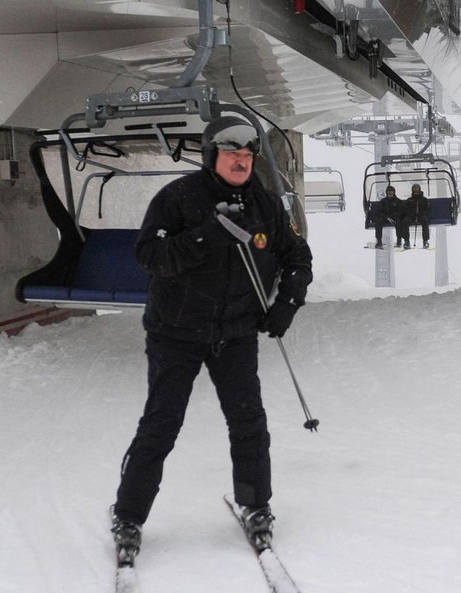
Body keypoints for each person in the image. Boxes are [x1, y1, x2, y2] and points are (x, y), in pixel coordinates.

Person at [110, 115, 313, 559]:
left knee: (248, 423)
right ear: (211, 156)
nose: (240, 162)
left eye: (246, 155)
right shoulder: (178, 199)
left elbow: (297, 258)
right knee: (162, 425)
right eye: (231, 154)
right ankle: (128, 515)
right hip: (176, 332)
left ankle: (255, 505)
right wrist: (206, 237)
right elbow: (149, 256)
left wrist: (287, 304)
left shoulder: (265, 205)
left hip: (236, 333)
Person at [372, 185, 409, 249]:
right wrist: (385, 216)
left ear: (394, 192)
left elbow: (400, 211)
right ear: (386, 193)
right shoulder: (383, 201)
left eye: (391, 192)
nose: (390, 194)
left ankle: (399, 240)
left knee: (399, 222)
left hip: (395, 217)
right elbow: (379, 211)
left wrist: (394, 216)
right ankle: (379, 241)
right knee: (378, 223)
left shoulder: (398, 201)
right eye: (388, 192)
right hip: (386, 218)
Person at [406, 183, 431, 248]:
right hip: (412, 216)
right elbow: (406, 209)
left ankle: (425, 241)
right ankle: (406, 241)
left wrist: (422, 213)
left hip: (421, 215)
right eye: (414, 189)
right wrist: (411, 214)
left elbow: (428, 210)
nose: (416, 190)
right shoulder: (409, 200)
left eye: (417, 189)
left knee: (425, 221)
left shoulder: (424, 199)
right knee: (405, 221)